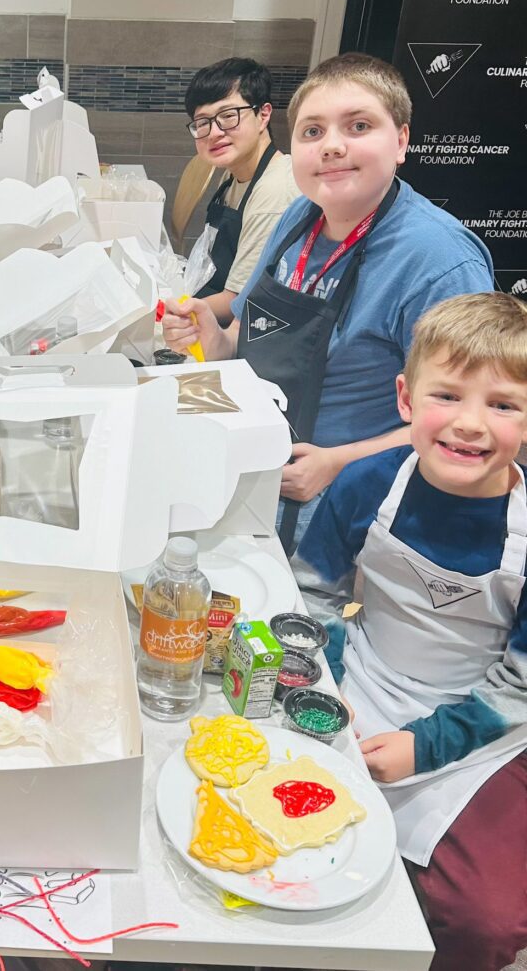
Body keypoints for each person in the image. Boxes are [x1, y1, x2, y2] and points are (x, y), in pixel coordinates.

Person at [163, 53, 494, 552]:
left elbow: (472, 425)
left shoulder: (438, 260)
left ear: (401, 140)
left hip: (347, 513)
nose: (333, 146)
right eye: (313, 132)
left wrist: (339, 461)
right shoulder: (301, 214)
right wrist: (212, 335)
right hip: (256, 478)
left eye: (358, 126)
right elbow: (243, 339)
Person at [292, 293, 527, 971]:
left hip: (486, 719)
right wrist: (327, 685)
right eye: (446, 395)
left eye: (504, 404)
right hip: (363, 678)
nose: (470, 424)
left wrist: (426, 747)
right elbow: (315, 592)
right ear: (405, 396)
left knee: (483, 915)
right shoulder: (367, 482)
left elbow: (517, 686)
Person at [184, 57, 301, 324]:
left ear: (264, 115)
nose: (213, 133)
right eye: (202, 122)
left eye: (228, 116)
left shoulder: (274, 190)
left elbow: (238, 300)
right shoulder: (233, 172)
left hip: (242, 329)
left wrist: (165, 312)